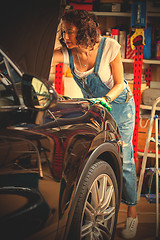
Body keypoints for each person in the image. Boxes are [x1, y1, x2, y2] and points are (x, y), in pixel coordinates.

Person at [50, 9, 138, 239]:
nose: (65, 36)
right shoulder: (68, 53)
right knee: (97, 156)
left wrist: (106, 99)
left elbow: (120, 83)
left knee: (124, 158)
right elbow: (43, 56)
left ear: (84, 31)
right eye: (63, 31)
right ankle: (102, 207)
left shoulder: (109, 46)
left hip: (119, 105)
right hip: (98, 107)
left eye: (69, 32)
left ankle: (132, 214)